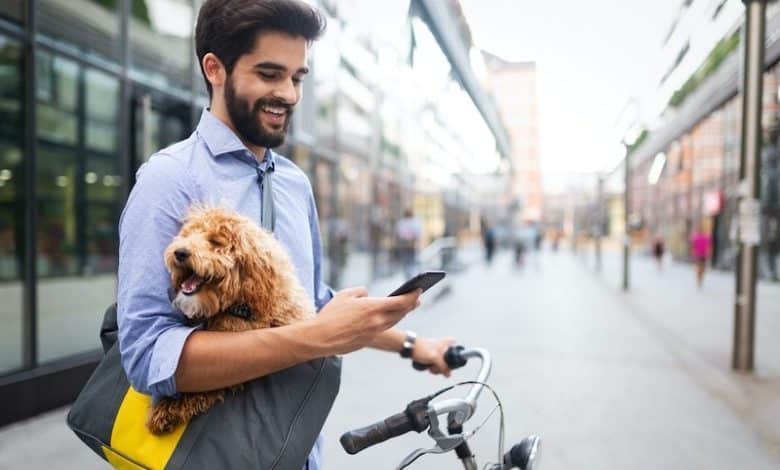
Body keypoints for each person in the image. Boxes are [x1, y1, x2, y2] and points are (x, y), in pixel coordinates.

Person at [117, 2, 455, 468]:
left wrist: (412, 343)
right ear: (214, 68)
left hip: (296, 452)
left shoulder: (294, 182)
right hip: (209, 455)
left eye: (297, 78)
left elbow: (309, 306)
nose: (289, 94)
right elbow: (148, 356)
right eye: (270, 74)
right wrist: (316, 337)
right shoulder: (168, 180)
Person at [396, 209, 422, 279]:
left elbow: (399, 233)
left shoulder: (402, 223)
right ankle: (410, 276)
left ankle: (409, 276)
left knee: (408, 262)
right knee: (410, 262)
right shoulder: (414, 222)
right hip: (409, 244)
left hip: (407, 244)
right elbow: (417, 233)